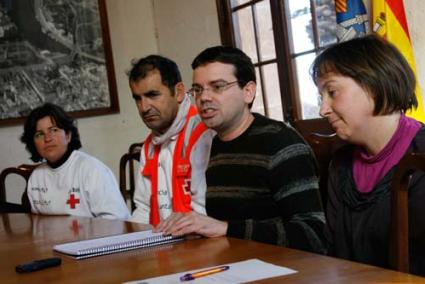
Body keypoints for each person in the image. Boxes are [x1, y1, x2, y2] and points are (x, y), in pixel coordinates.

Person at [157, 46, 326, 254]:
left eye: (217, 87)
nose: (204, 98)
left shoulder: (282, 144)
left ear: (248, 92)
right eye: (198, 89)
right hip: (233, 265)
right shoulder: (213, 143)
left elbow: (314, 235)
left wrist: (225, 228)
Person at [311, 34, 425, 275]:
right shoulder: (340, 163)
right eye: (320, 96)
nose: (322, 109)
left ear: (374, 85)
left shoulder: (421, 157)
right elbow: (334, 254)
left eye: (332, 92)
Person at [128, 55, 214, 225]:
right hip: (163, 244)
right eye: (138, 98)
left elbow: (207, 213)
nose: (144, 107)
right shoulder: (149, 145)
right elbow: (143, 209)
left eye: (152, 95)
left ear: (179, 92)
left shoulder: (204, 134)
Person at [20, 103, 129, 219]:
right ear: (33, 143)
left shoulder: (92, 170)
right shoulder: (36, 177)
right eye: (39, 134)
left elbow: (118, 220)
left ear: (68, 136)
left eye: (54, 130)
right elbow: (37, 223)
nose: (47, 138)